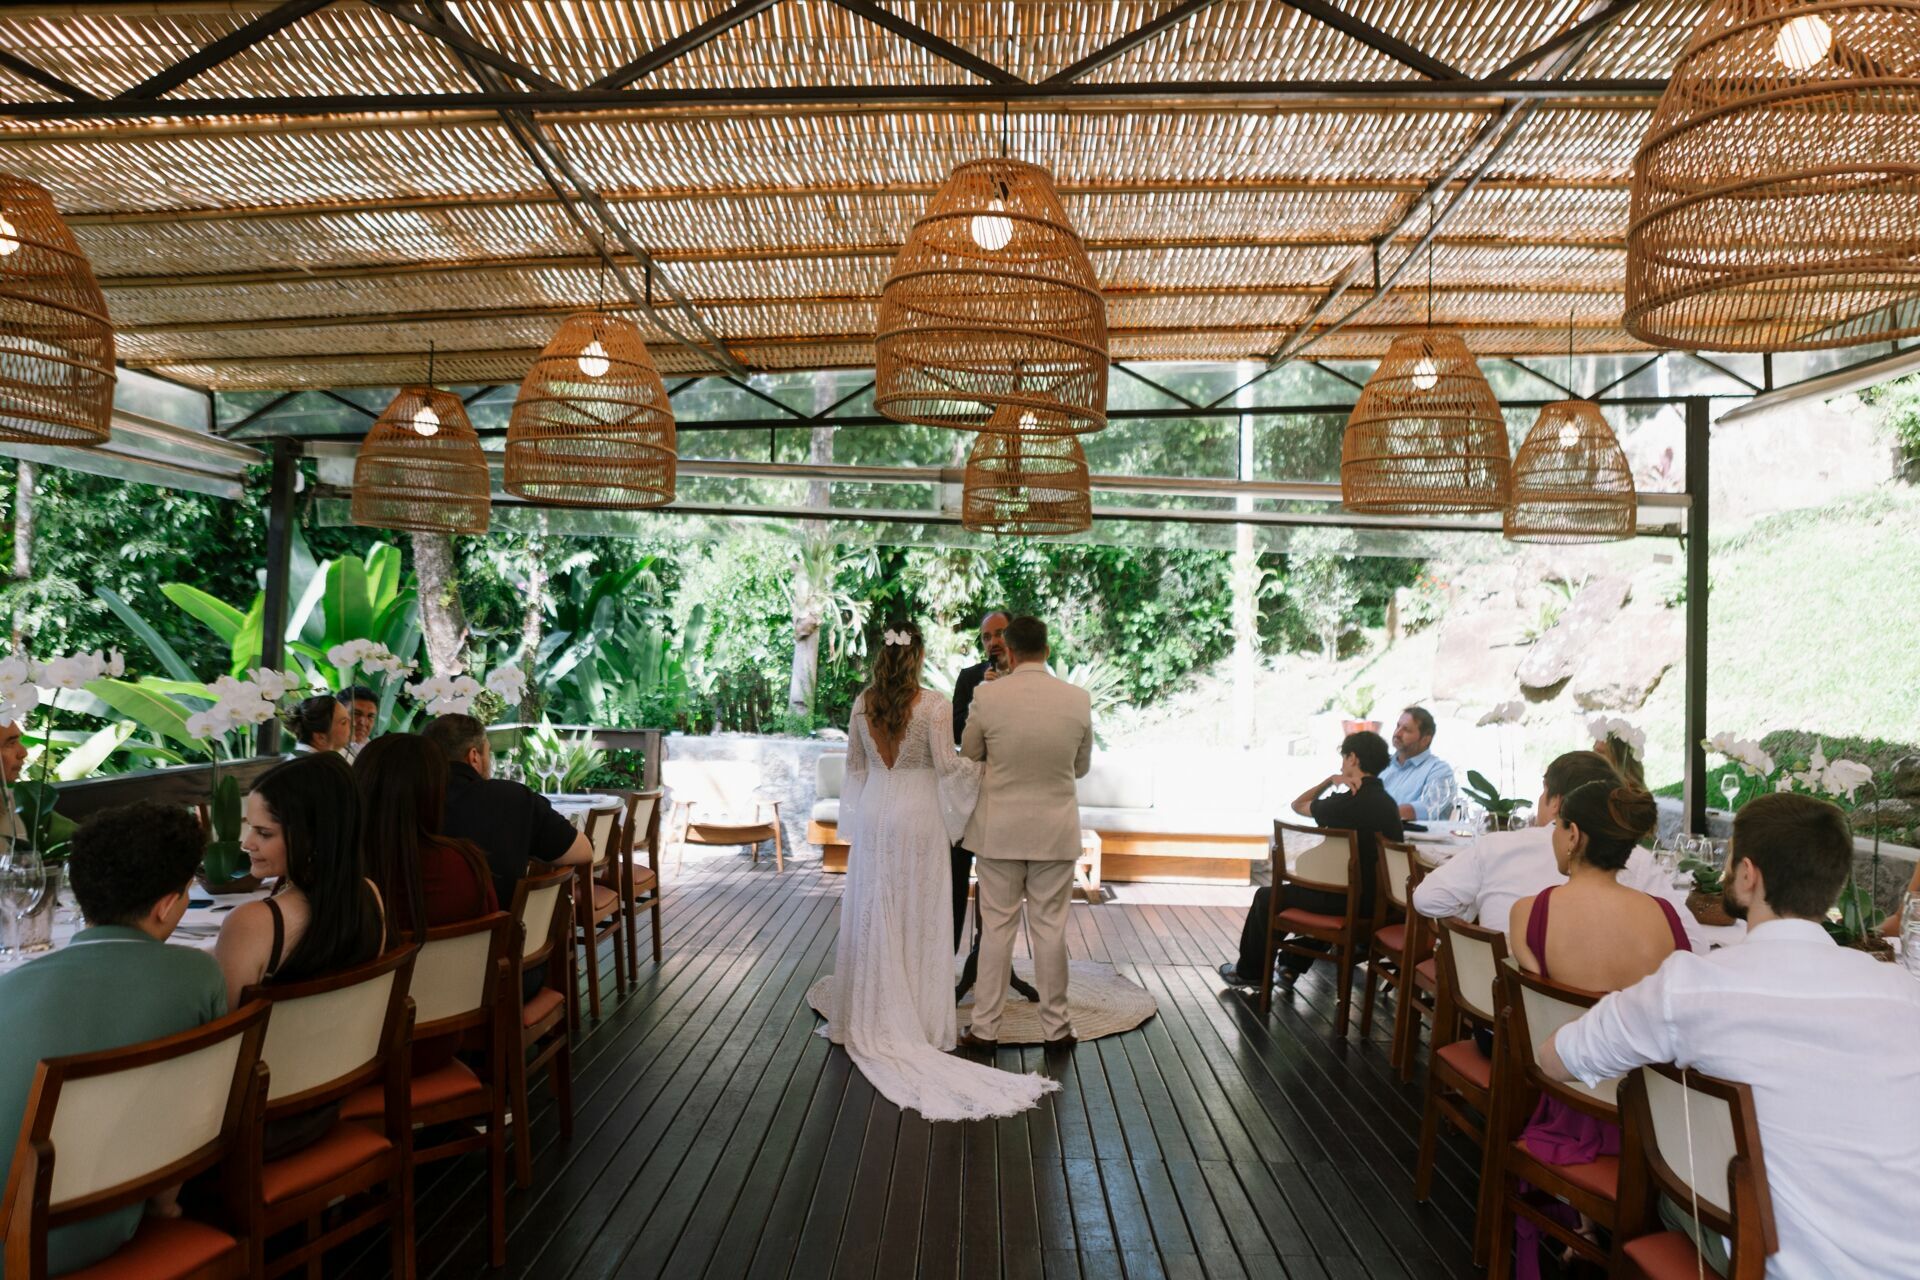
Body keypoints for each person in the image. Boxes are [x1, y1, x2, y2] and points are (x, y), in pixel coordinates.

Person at [1542, 793, 1920, 1280]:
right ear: (1836, 883)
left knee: (1662, 1185)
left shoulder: (1692, 986)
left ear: (1747, 874)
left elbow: (1558, 1058)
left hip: (1777, 1262)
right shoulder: (1904, 993)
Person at [822, 620, 1056, 1120]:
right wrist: (986, 770)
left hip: (876, 815)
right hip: (919, 817)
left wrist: (860, 815)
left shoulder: (862, 704)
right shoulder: (929, 705)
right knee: (917, 913)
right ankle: (921, 1024)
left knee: (876, 911)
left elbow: (856, 769)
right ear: (918, 656)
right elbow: (949, 767)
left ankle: (868, 1010)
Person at [0, 803, 226, 1275]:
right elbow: (195, 1115)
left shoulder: (9, 989)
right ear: (168, 904)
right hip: (97, 1233)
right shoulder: (198, 976)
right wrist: (166, 1209)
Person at [1505, 781, 1686, 1278]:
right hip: (1649, 1116)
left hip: (1565, 1098)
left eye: (1557, 826)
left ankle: (1582, 1224)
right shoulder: (1664, 919)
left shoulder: (1529, 913)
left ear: (1573, 835)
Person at [214, 753, 384, 1158]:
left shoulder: (255, 923)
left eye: (263, 833)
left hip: (257, 1123)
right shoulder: (369, 897)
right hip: (333, 1095)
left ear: (312, 834)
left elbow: (219, 1046)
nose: (246, 844)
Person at [960, 616, 1094, 1053]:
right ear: (1048, 650)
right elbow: (1080, 767)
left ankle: (984, 1029)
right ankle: (1057, 1031)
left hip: (999, 831)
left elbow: (971, 754)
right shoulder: (1077, 699)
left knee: (997, 929)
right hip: (1055, 832)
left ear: (1010, 653)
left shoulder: (987, 695)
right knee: (1050, 930)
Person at [1413, 750, 1692, 941]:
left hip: (1496, 1007)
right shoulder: (1637, 859)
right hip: (1596, 1011)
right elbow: (1692, 941)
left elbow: (1426, 899)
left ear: (1556, 800)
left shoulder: (1496, 847)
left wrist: (1475, 907)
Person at [355, 733, 497, 1074]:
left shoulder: (343, 873)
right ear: (434, 793)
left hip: (358, 1054)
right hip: (442, 1036)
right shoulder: (463, 862)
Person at [1219, 730, 1402, 990]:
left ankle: (1250, 972)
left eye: (1344, 758)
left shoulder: (1343, 803)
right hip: (1378, 903)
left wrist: (1330, 781)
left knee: (1266, 897)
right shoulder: (1388, 804)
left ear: (1353, 758)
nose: (1342, 764)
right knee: (1300, 897)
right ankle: (1290, 962)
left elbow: (1298, 804)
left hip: (1343, 901)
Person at [947, 609, 1038, 1005]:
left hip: (1011, 800)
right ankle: (948, 963)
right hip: (970, 798)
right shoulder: (970, 678)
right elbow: (954, 733)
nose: (993, 642)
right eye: (986, 637)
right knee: (954, 878)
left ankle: (995, 961)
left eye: (1000, 634)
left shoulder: (1032, 681)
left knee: (1000, 888)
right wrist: (979, 702)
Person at [422, 712, 591, 911]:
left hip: (415, 938)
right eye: (489, 752)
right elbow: (583, 851)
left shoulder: (402, 801)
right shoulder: (513, 797)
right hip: (499, 934)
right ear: (474, 756)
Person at [1378, 706, 1455, 821]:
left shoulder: (1439, 770)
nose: (1398, 733)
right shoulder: (1381, 764)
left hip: (1414, 838)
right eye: (1398, 726)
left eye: (1406, 730)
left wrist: (1371, 814)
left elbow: (1427, 808)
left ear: (1425, 739)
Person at [338, 684, 378, 758]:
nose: (363, 722)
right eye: (356, 714)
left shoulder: (377, 753)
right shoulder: (325, 749)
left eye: (370, 716)